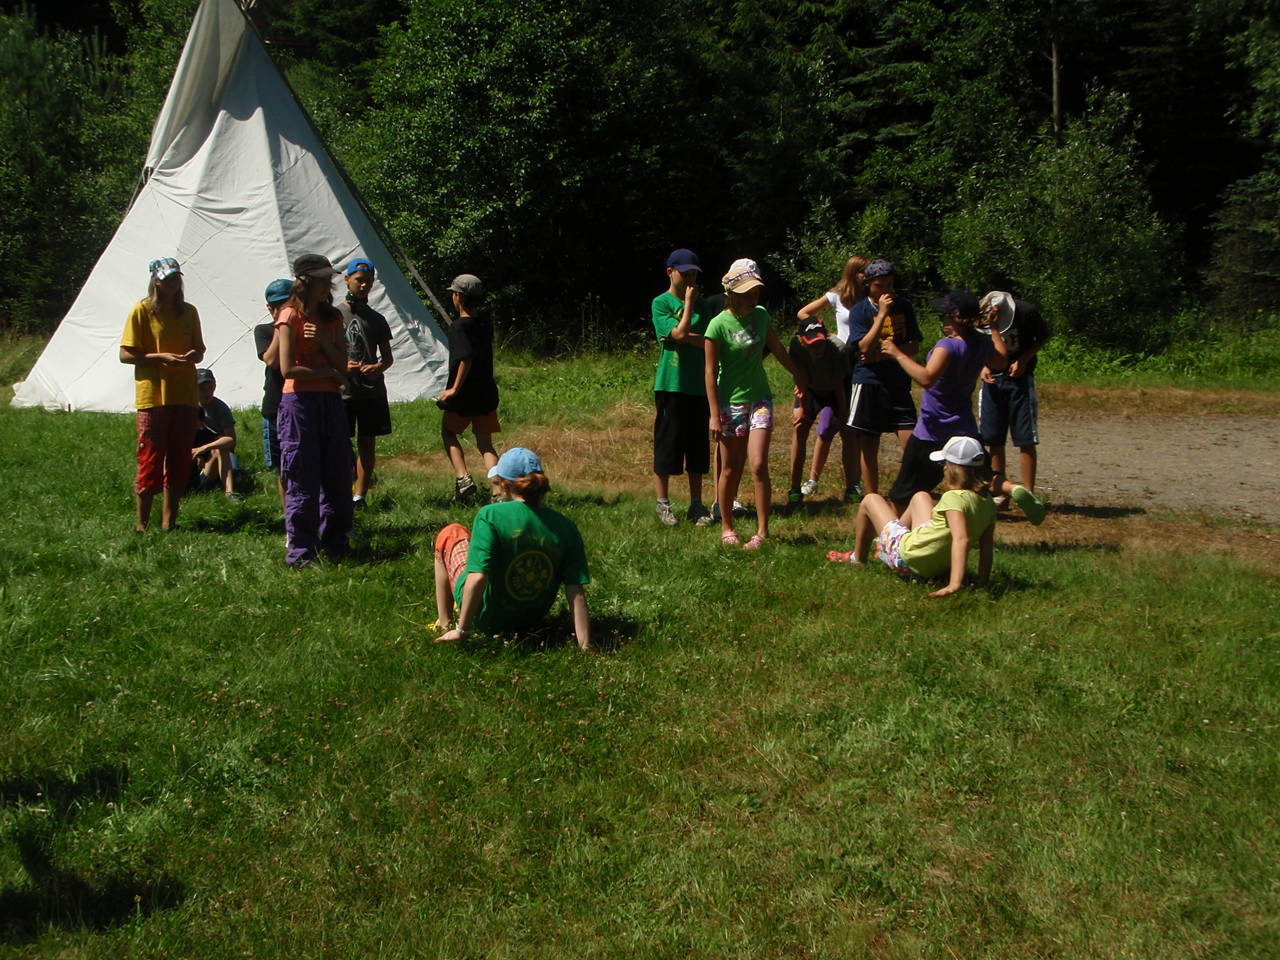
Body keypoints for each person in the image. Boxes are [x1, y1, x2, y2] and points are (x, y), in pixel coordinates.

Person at [433, 447, 591, 650]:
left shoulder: (490, 515)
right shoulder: (566, 527)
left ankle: (445, 624)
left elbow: (478, 577)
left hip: (484, 616)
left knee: (452, 533)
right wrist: (586, 646)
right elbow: (576, 590)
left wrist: (462, 630)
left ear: (504, 484)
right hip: (531, 618)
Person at [704, 258, 809, 549]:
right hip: (731, 403)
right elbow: (710, 373)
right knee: (730, 468)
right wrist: (714, 414)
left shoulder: (761, 316)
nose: (754, 299)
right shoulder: (717, 326)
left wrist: (798, 374)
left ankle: (762, 532)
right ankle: (727, 526)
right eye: (747, 294)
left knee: (759, 464)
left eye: (756, 293)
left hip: (760, 399)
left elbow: (777, 348)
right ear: (732, 295)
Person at [829, 435, 996, 599]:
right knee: (920, 496)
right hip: (937, 567)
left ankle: (858, 558)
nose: (944, 468)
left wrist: (954, 584)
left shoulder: (953, 498)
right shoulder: (988, 503)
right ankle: (886, 544)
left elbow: (961, 539)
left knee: (870, 500)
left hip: (908, 560)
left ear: (952, 469)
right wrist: (983, 581)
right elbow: (986, 546)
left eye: (944, 463)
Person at [883, 289, 1008, 505]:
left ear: (955, 317)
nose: (943, 320)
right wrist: (994, 328)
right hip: (963, 427)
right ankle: (1010, 487)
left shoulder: (948, 346)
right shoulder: (982, 343)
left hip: (933, 429)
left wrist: (897, 354)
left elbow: (926, 378)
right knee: (978, 479)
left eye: (945, 315)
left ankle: (900, 525)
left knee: (902, 493)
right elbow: (1001, 361)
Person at [275, 253, 353, 567]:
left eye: (328, 278)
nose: (328, 284)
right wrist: (328, 373)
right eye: (322, 279)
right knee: (302, 475)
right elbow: (287, 369)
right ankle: (301, 551)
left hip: (330, 401)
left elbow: (343, 364)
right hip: (299, 403)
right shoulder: (289, 316)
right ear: (305, 281)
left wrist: (322, 341)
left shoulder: (332, 318)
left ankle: (335, 542)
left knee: (337, 473)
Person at [119, 257, 205, 532]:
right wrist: (160, 357)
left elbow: (200, 350)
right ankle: (142, 524)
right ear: (156, 281)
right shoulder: (142, 311)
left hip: (185, 394)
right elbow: (125, 354)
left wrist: (193, 356)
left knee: (179, 459)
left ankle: (170, 521)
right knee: (150, 458)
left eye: (176, 278)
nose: (173, 283)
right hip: (154, 396)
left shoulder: (189, 312)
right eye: (167, 278)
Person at [844, 259, 922, 496]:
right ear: (868, 285)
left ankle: (910, 492)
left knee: (912, 441)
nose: (886, 290)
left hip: (897, 382)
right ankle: (872, 496)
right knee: (868, 443)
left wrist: (887, 354)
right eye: (880, 285)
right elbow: (863, 347)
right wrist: (881, 315)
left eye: (889, 284)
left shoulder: (905, 307)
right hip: (869, 382)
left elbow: (914, 345)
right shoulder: (859, 311)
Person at [796, 254, 869, 499]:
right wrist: (824, 333)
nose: (866, 276)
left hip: (859, 363)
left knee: (852, 428)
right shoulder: (836, 295)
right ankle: (812, 480)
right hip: (835, 358)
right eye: (862, 271)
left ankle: (854, 485)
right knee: (827, 426)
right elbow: (803, 313)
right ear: (852, 272)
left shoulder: (870, 297)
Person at [651, 248, 713, 526]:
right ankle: (663, 503)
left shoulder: (706, 306)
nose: (690, 279)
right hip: (671, 385)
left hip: (698, 385)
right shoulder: (661, 303)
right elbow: (677, 332)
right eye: (685, 273)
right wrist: (688, 305)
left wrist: (684, 335)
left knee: (697, 446)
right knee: (667, 443)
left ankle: (696, 504)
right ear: (670, 272)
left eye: (694, 275)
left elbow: (709, 341)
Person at [978, 290, 1051, 519]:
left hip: (1020, 380)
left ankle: (1028, 494)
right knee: (994, 437)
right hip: (993, 382)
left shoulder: (1026, 312)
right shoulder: (980, 315)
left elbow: (1044, 336)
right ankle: (1000, 491)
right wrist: (983, 366)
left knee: (1025, 437)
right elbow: (977, 345)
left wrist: (1024, 359)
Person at [438, 274, 500, 502]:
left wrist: (454, 389)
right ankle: (498, 491)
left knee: (449, 433)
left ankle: (463, 479)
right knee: (485, 443)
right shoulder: (484, 324)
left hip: (465, 395)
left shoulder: (459, 327)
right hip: (486, 393)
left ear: (458, 297)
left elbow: (465, 358)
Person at [338, 258, 394, 507]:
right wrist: (341, 367)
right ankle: (340, 490)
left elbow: (388, 357)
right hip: (342, 390)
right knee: (339, 443)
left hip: (371, 391)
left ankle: (359, 495)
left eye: (369, 281)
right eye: (359, 280)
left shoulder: (377, 319)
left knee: (367, 442)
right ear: (347, 279)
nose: (364, 285)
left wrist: (377, 367)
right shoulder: (334, 316)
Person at [786, 320, 849, 505]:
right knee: (799, 428)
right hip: (811, 388)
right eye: (812, 344)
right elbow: (801, 376)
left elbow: (839, 384)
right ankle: (795, 489)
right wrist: (802, 408)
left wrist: (843, 414)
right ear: (802, 340)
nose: (817, 347)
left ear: (826, 336)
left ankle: (853, 486)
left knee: (848, 433)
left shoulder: (839, 349)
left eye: (820, 342)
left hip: (835, 389)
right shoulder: (796, 347)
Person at [254, 278, 293, 509]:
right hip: (275, 403)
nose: (282, 309)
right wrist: (281, 326)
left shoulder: (303, 327)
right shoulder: (263, 330)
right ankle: (289, 514)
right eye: (277, 306)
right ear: (270, 307)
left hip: (300, 401)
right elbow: (271, 360)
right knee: (282, 467)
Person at [191, 367, 240, 499]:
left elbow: (231, 440)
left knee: (221, 450)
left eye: (210, 387)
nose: (207, 392)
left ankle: (229, 492)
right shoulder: (190, 407)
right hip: (195, 454)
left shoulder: (221, 408)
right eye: (202, 388)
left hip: (215, 450)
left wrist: (205, 448)